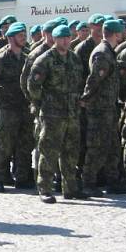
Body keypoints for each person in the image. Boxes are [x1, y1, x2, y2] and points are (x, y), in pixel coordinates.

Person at [27, 25, 87, 203]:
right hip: (52, 114)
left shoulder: (74, 59)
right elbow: (33, 86)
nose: (66, 41)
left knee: (71, 151)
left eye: (68, 37)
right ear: (54, 39)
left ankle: (70, 188)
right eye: (62, 38)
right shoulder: (44, 59)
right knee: (49, 151)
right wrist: (43, 104)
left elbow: (79, 83)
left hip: (71, 113)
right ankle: (44, 188)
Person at [0, 22, 35, 192]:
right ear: (11, 38)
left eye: (24, 35)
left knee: (25, 143)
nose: (24, 39)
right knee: (4, 143)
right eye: (21, 36)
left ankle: (22, 177)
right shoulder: (0, 58)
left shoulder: (28, 56)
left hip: (25, 106)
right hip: (7, 107)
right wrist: (0, 101)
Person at [80, 19, 126, 195]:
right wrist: (85, 99)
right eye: (120, 32)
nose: (122, 35)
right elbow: (93, 81)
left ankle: (112, 181)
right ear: (115, 34)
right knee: (96, 146)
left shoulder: (108, 51)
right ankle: (88, 182)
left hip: (109, 108)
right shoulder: (103, 53)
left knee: (113, 146)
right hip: (99, 109)